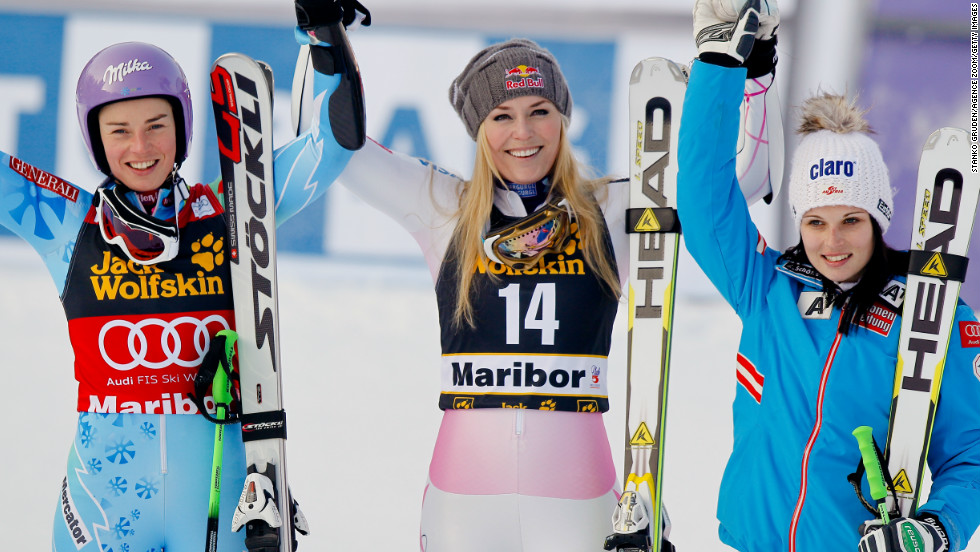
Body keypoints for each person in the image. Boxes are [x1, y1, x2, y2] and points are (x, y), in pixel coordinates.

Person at [291, 1, 775, 547]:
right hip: (461, 505)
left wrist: (751, 68)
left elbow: (739, 180)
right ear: (479, 130)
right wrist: (323, 36)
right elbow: (338, 151)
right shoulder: (443, 208)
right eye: (501, 116)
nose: (523, 132)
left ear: (563, 119)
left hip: (579, 501)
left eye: (540, 110)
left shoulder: (613, 212)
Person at [0, 9, 362, 550]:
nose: (140, 148)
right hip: (103, 506)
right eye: (119, 131)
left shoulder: (232, 208)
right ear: (95, 139)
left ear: (183, 127)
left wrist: (324, 39)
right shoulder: (68, 224)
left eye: (156, 127)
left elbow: (333, 145)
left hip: (220, 492)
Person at [678, 1, 980, 551]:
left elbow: (971, 454)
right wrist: (720, 64)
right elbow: (703, 201)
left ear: (879, 220)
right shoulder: (768, 289)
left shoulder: (933, 317)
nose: (832, 241)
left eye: (851, 221)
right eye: (815, 221)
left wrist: (939, 528)